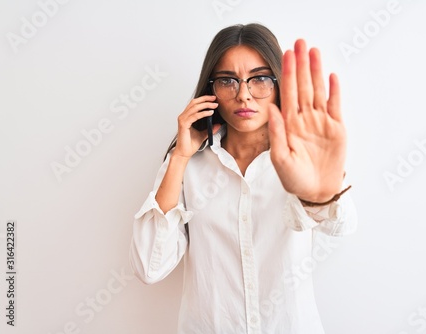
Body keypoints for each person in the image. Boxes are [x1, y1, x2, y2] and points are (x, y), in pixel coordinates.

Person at [129, 23, 357, 334]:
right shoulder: (187, 164)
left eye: (260, 79)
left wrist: (321, 192)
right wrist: (179, 159)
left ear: (278, 85)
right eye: (227, 81)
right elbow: (149, 268)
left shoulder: (300, 156)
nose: (244, 95)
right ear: (212, 90)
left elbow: (342, 225)